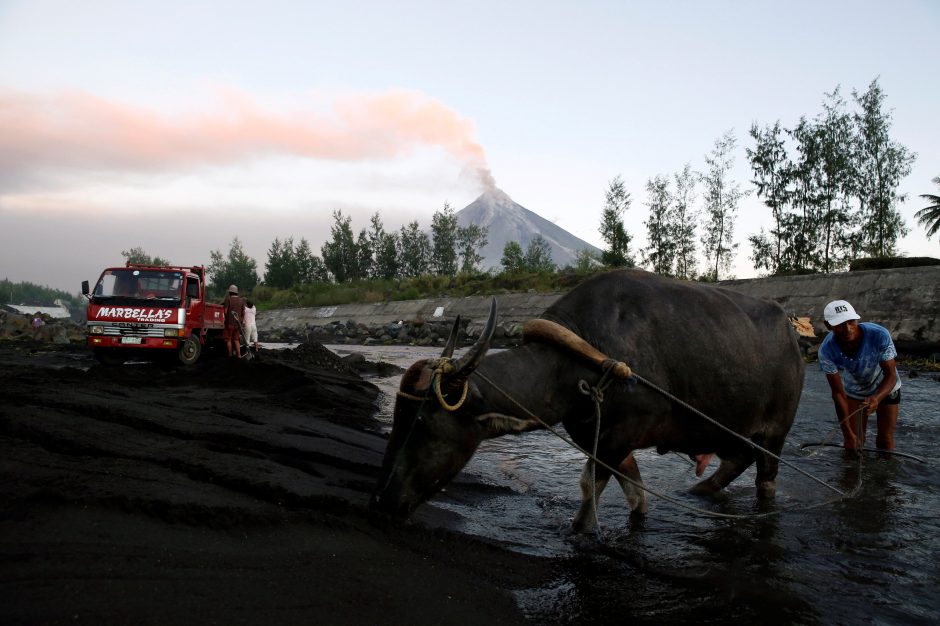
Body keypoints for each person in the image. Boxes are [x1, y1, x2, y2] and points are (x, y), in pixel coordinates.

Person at [818, 300, 901, 451]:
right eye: (840, 324)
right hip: (855, 390)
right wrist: (847, 434)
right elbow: (837, 394)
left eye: (851, 322)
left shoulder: (879, 335)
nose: (848, 329)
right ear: (828, 326)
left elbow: (891, 375)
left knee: (885, 440)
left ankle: (885, 473)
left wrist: (876, 398)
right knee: (855, 442)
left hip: (886, 386)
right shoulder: (826, 350)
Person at [222, 285, 246, 358]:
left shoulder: (228, 299)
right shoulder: (241, 300)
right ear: (236, 292)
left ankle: (230, 355)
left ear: (230, 292)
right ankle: (239, 355)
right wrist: (240, 320)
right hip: (238, 324)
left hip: (230, 323)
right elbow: (243, 312)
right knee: (236, 340)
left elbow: (225, 312)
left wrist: (227, 318)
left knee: (228, 339)